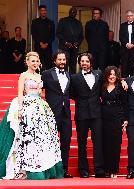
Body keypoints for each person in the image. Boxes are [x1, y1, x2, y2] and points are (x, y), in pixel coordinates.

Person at [0, 52, 63, 180]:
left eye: (37, 61)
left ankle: (40, 165)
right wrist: (21, 109)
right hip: (27, 106)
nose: (35, 63)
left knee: (40, 137)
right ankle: (23, 167)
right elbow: (20, 93)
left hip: (40, 108)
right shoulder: (23, 75)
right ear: (27, 62)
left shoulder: (40, 76)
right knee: (25, 136)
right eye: (32, 61)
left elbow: (40, 94)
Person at [70, 52, 106, 178]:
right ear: (80, 63)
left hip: (97, 113)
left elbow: (105, 88)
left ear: (91, 62)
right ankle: (83, 170)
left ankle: (99, 169)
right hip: (82, 113)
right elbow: (72, 94)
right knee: (82, 143)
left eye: (87, 61)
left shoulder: (99, 74)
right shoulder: (74, 78)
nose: (84, 63)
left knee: (98, 142)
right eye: (82, 61)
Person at [41, 50, 73, 178]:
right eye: (59, 60)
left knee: (66, 141)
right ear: (54, 61)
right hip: (52, 113)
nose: (62, 62)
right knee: (50, 142)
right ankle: (50, 169)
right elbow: (38, 87)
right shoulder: (47, 74)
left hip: (66, 113)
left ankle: (64, 169)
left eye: (63, 60)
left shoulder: (69, 75)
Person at [101, 66, 128, 178]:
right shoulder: (102, 86)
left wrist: (125, 119)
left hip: (117, 117)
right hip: (103, 117)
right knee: (105, 144)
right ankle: (106, 169)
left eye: (114, 74)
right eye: (110, 74)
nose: (112, 76)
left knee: (115, 144)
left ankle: (113, 170)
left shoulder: (121, 87)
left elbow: (126, 103)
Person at [57, 7, 83, 74]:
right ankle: (64, 79)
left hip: (74, 48)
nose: (73, 13)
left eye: (74, 12)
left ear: (76, 14)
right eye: (71, 12)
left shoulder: (78, 23)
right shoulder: (63, 21)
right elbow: (58, 33)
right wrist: (66, 42)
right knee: (63, 65)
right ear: (69, 12)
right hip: (64, 48)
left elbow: (81, 36)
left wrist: (78, 43)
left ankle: (72, 81)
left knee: (73, 66)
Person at [119, 10, 134, 78]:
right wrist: (127, 44)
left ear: (133, 16)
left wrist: (133, 44)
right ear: (126, 17)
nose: (129, 17)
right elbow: (121, 37)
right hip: (125, 50)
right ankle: (124, 84)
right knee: (124, 68)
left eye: (131, 16)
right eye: (128, 16)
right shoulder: (122, 25)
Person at [31, 5, 55, 71]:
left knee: (49, 65)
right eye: (42, 10)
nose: (44, 12)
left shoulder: (50, 22)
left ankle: (48, 80)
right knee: (37, 64)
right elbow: (34, 34)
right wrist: (41, 43)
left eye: (45, 10)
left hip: (48, 48)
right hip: (38, 47)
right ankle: (37, 79)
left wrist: (46, 43)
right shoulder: (35, 22)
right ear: (39, 12)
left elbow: (52, 35)